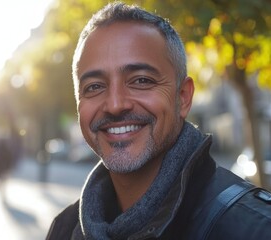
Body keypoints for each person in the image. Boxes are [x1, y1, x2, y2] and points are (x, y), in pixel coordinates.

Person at [46, 2, 271, 240]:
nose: (114, 104)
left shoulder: (254, 229)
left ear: (183, 97)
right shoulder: (64, 229)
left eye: (141, 80)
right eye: (94, 87)